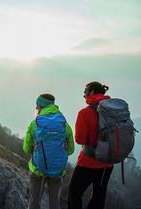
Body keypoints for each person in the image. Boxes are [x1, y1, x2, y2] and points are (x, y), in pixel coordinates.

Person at [23, 93, 74, 209]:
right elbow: (71, 150)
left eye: (37, 106)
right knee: (55, 201)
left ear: (40, 106)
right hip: (57, 170)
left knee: (34, 202)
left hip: (38, 168)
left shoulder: (35, 123)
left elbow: (26, 149)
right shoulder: (64, 125)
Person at [68, 81, 113, 209]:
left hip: (89, 161)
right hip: (108, 162)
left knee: (74, 193)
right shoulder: (112, 110)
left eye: (85, 92)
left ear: (92, 92)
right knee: (99, 195)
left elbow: (80, 139)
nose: (83, 95)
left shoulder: (85, 113)